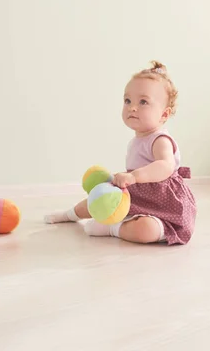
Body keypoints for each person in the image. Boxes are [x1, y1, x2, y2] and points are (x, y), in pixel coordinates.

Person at [44, 60, 197, 245]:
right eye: (127, 100)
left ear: (164, 114)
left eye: (143, 102)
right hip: (138, 193)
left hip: (163, 204)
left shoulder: (160, 140)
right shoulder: (138, 139)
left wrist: (134, 176)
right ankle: (69, 215)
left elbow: (165, 166)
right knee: (99, 197)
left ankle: (112, 228)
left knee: (146, 230)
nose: (132, 107)